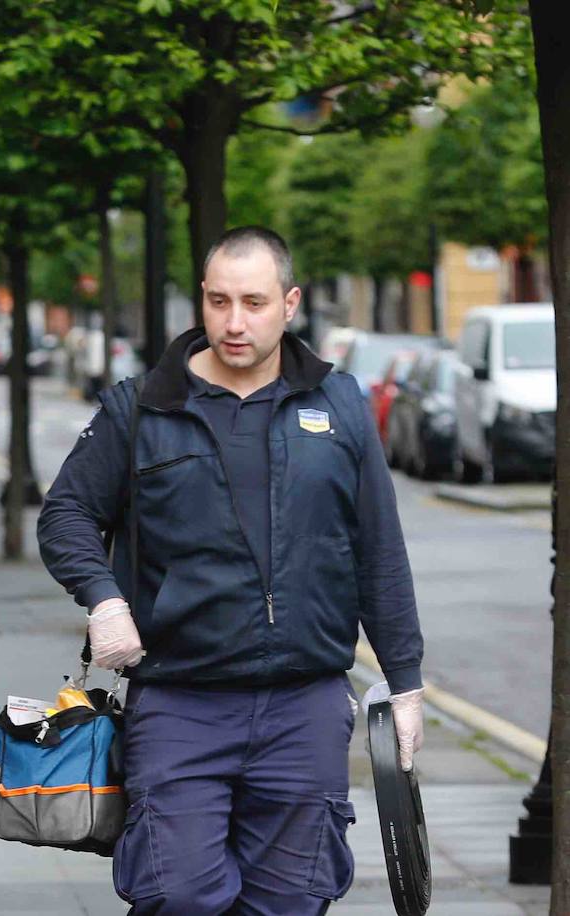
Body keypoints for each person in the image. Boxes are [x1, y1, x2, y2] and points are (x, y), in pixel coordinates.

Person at [37, 226, 425, 914]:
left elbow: (378, 552)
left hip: (303, 705)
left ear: (290, 303)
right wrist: (103, 599)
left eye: (253, 302)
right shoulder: (143, 406)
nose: (235, 322)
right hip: (180, 701)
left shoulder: (338, 406)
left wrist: (406, 683)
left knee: (291, 901)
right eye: (219, 302)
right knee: (178, 894)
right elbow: (65, 514)